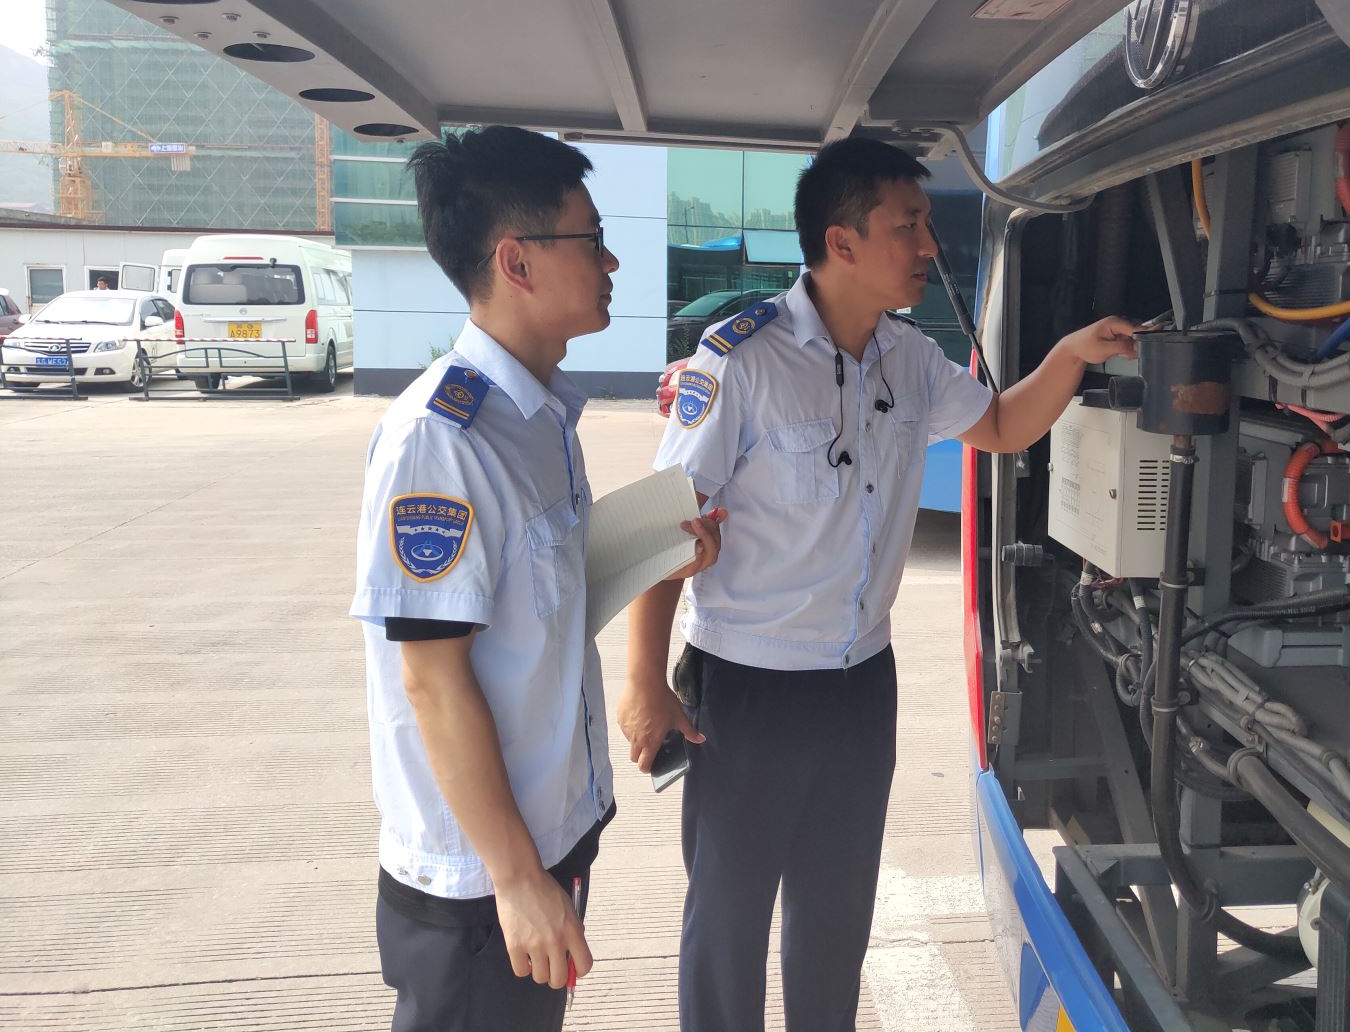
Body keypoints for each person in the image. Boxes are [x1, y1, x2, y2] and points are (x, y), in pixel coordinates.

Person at [619, 136, 1140, 1032]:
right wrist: (642, 681)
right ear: (843, 241)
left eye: (926, 224)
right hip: (747, 686)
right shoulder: (741, 359)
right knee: (728, 922)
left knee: (837, 916)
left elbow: (1001, 425)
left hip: (862, 682)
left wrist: (1071, 353)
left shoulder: (909, 357)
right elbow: (659, 525)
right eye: (909, 226)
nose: (929, 245)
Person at [350, 126, 724, 1032]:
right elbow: (432, 677)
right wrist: (517, 882)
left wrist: (657, 549)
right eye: (590, 239)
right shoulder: (441, 440)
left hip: (549, 836)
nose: (611, 261)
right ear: (516, 261)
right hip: (481, 884)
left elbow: (535, 604)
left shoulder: (538, 416)